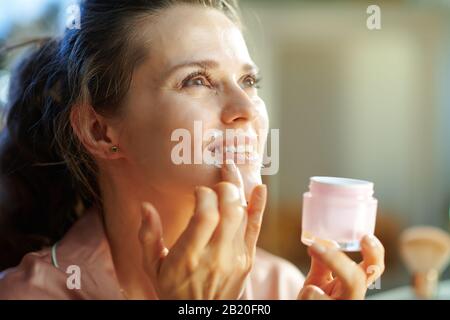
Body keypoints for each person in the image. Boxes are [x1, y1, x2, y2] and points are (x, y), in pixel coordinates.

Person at [0, 0, 384, 299]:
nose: (247, 109)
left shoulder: (281, 286)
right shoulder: (29, 294)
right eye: (197, 80)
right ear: (99, 130)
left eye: (248, 80)